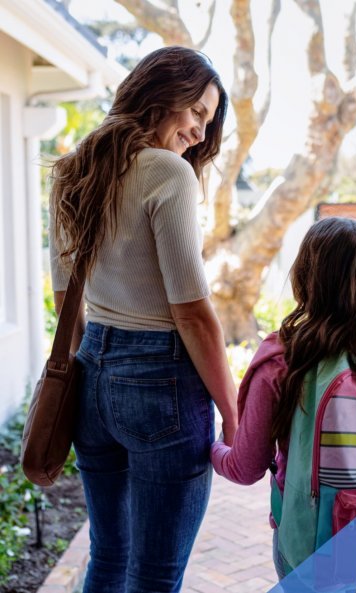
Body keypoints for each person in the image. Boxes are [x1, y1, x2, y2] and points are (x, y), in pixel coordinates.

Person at [48, 47, 236, 592]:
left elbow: (67, 303)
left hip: (91, 378)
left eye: (208, 120)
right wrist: (233, 408)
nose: (201, 132)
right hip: (162, 386)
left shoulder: (70, 171)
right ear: (161, 93)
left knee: (108, 555)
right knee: (155, 573)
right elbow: (193, 315)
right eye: (197, 112)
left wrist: (96, 374)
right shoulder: (167, 172)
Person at [211, 217, 356, 578]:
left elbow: (246, 466)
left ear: (305, 276)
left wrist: (213, 446)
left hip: (309, 546)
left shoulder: (283, 358)